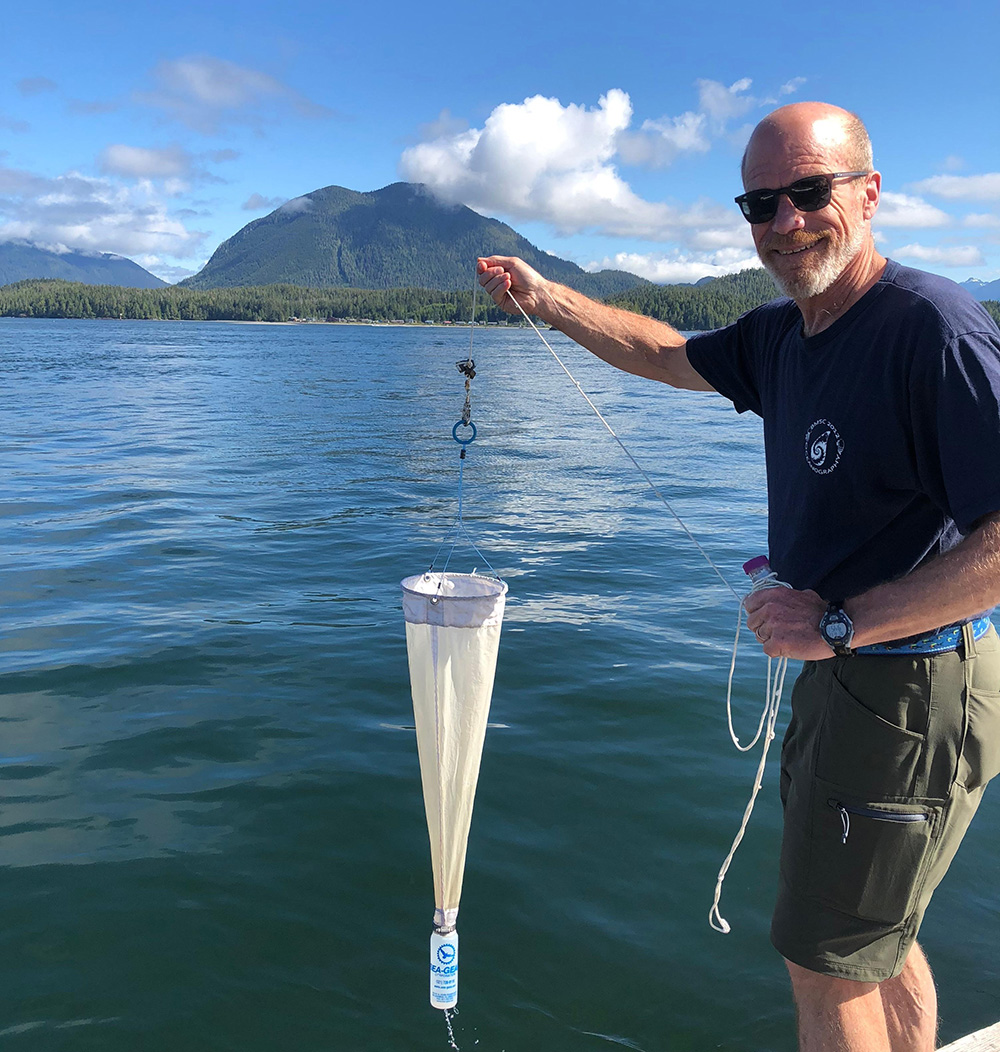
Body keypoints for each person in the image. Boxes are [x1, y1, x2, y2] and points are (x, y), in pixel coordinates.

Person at [477, 101, 1000, 1052]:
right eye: (761, 204)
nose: (785, 223)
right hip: (855, 678)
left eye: (809, 192)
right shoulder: (782, 337)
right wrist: (547, 298)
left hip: (912, 683)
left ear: (870, 193)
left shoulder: (933, 329)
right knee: (874, 935)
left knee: (823, 957)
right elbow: (666, 352)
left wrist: (838, 624)